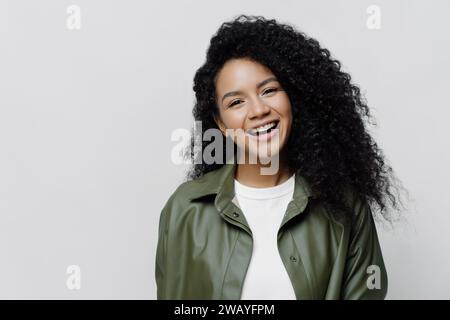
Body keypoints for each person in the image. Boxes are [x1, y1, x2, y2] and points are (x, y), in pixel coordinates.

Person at [155, 14, 404, 300]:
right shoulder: (185, 208)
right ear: (221, 123)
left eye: (269, 90)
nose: (258, 110)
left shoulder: (346, 206)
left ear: (292, 99)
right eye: (236, 102)